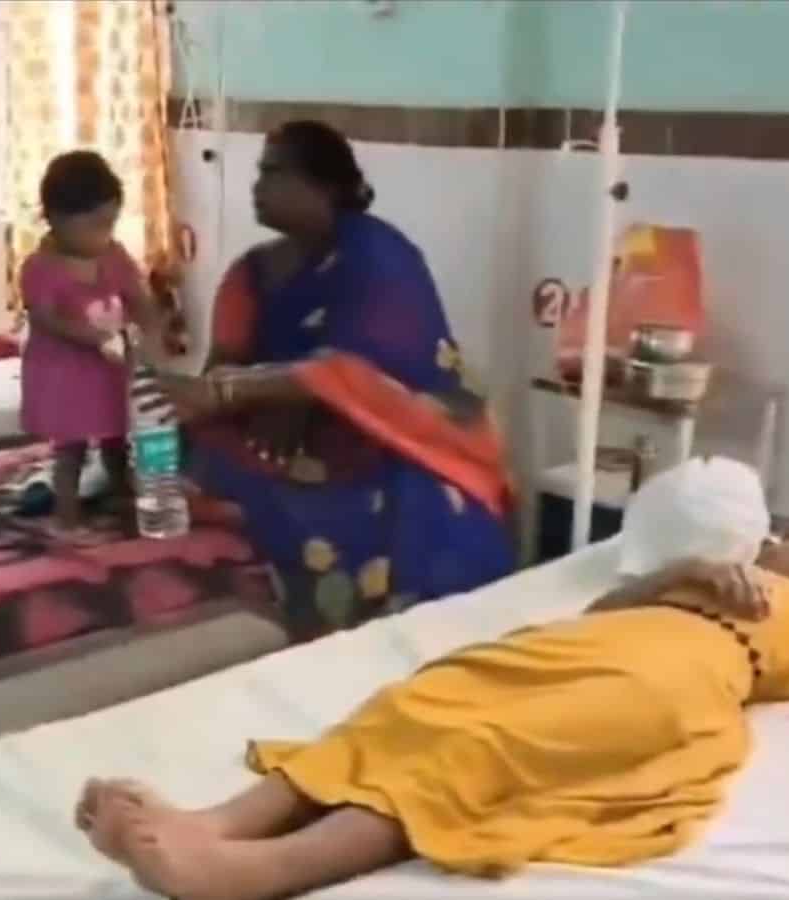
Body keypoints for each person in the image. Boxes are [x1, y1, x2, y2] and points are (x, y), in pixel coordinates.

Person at [76, 516, 789, 900]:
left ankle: (254, 875)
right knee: (417, 705)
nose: (773, 541)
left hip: (680, 679)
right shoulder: (709, 575)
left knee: (482, 748)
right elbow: (603, 614)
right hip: (589, 645)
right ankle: (215, 825)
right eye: (771, 533)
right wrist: (682, 572)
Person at [153, 121, 516, 636]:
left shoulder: (379, 254)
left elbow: (366, 369)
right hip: (281, 439)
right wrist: (247, 398)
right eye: (259, 172)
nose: (257, 186)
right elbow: (221, 369)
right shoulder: (252, 273)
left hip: (390, 431)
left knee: (417, 500)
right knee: (183, 437)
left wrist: (295, 396)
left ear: (321, 186)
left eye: (272, 172)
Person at [19, 151, 169, 528]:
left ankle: (123, 500)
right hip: (63, 375)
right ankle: (66, 516)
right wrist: (95, 337)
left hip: (109, 373)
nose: (105, 235)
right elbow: (46, 318)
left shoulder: (114, 256)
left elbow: (139, 297)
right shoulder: (41, 268)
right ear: (55, 218)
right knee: (70, 449)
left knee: (117, 440)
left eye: (111, 224)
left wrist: (152, 331)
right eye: (96, 225)